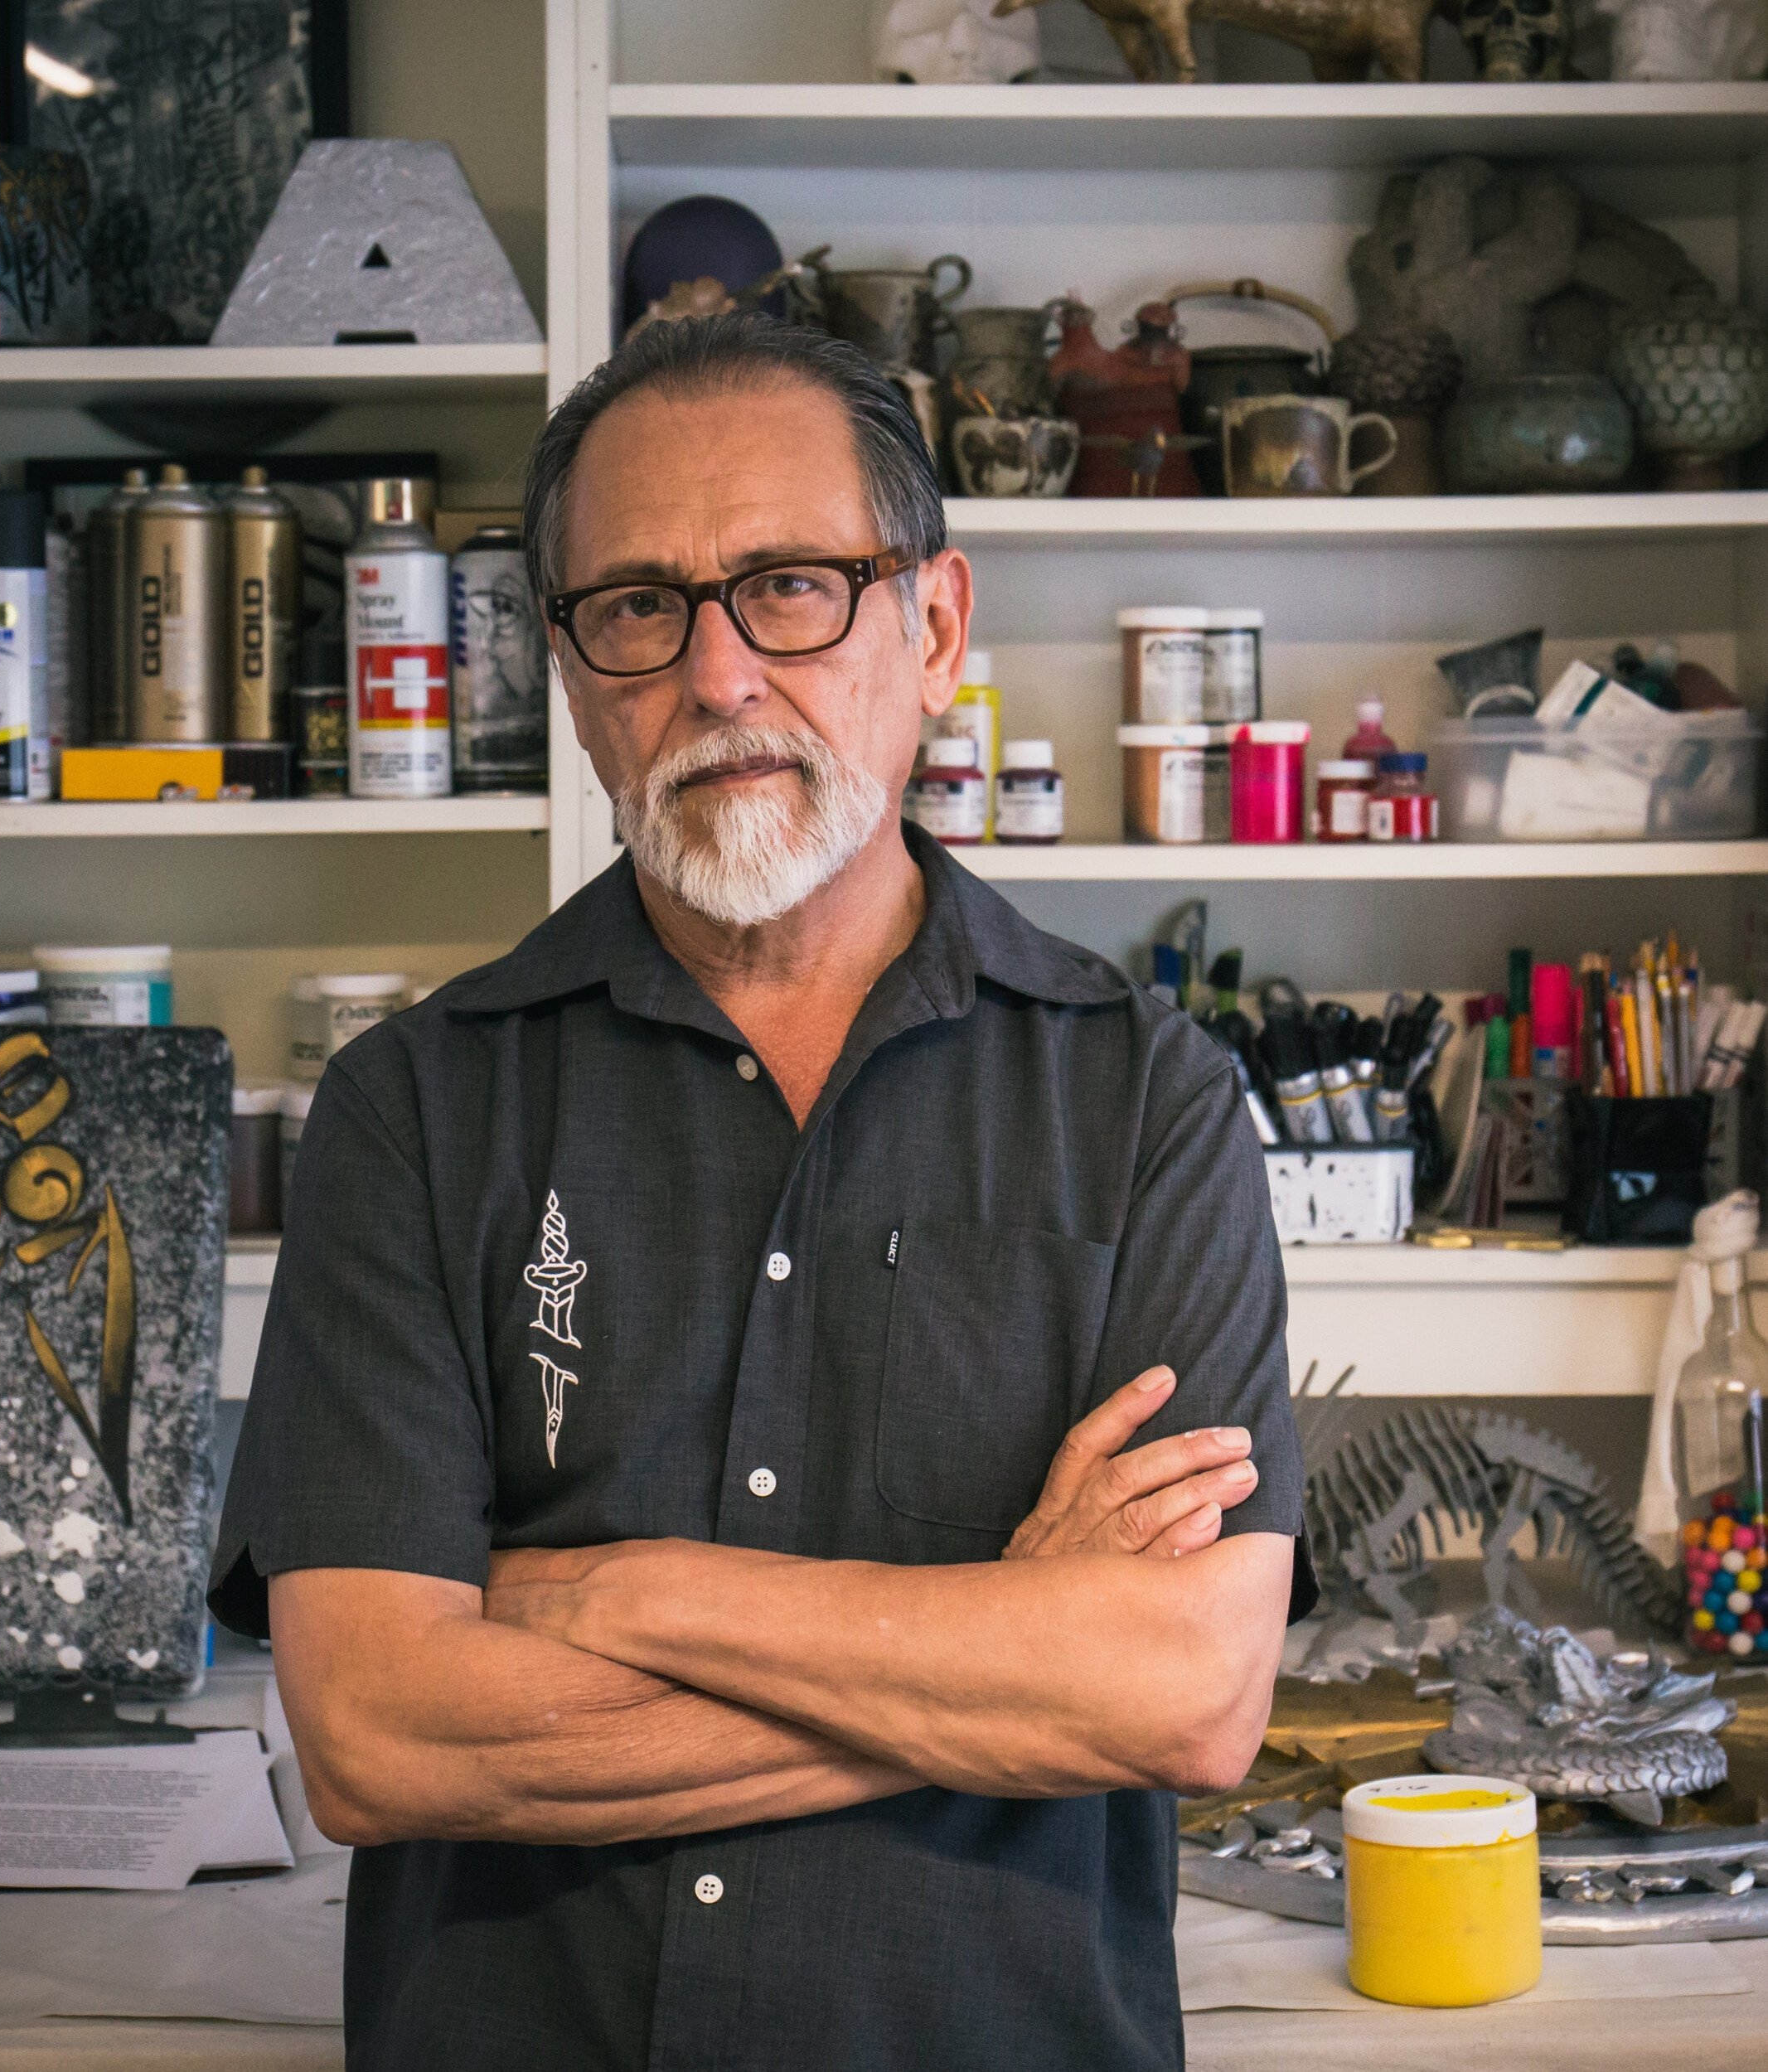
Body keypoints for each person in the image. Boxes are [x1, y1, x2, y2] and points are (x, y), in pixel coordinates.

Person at [210, 312, 1311, 2072]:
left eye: (792, 585)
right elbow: (378, 1736)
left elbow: (1181, 1696)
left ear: (930, 628)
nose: (718, 675)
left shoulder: (1143, 1102)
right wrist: (1008, 1666)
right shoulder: (411, 1108)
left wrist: (609, 1592)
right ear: (572, 675)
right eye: (639, 606)